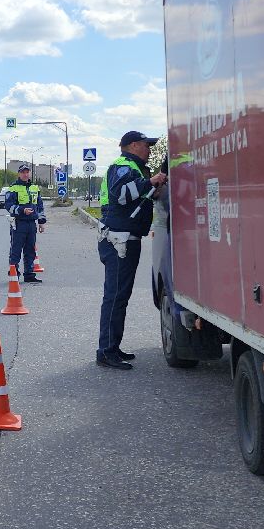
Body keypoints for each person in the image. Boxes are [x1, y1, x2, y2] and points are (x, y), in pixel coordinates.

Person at [96, 130, 167, 370]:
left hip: (125, 239)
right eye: (147, 145)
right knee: (115, 296)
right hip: (119, 241)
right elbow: (122, 194)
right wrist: (150, 182)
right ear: (133, 145)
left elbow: (138, 195)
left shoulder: (133, 167)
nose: (149, 150)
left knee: (119, 297)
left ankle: (112, 347)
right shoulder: (123, 165)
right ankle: (106, 351)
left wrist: (153, 189)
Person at [3, 163, 46, 282]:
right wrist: (22, 210)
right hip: (18, 223)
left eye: (27, 172)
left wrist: (41, 221)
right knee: (16, 249)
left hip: (31, 223)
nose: (25, 174)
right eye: (23, 172)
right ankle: (13, 274)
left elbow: (40, 206)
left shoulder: (34, 188)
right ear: (19, 174)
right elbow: (9, 206)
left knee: (30, 249)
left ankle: (29, 274)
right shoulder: (13, 188)